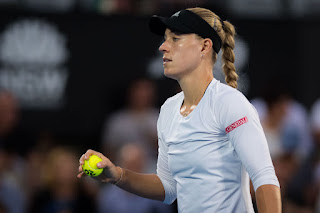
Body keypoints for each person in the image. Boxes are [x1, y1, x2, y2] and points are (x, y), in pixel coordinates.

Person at [78, 7, 281, 212]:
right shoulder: (168, 110)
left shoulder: (230, 103)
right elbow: (168, 188)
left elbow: (264, 177)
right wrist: (117, 174)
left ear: (204, 47)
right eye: (165, 39)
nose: (163, 47)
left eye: (175, 39)